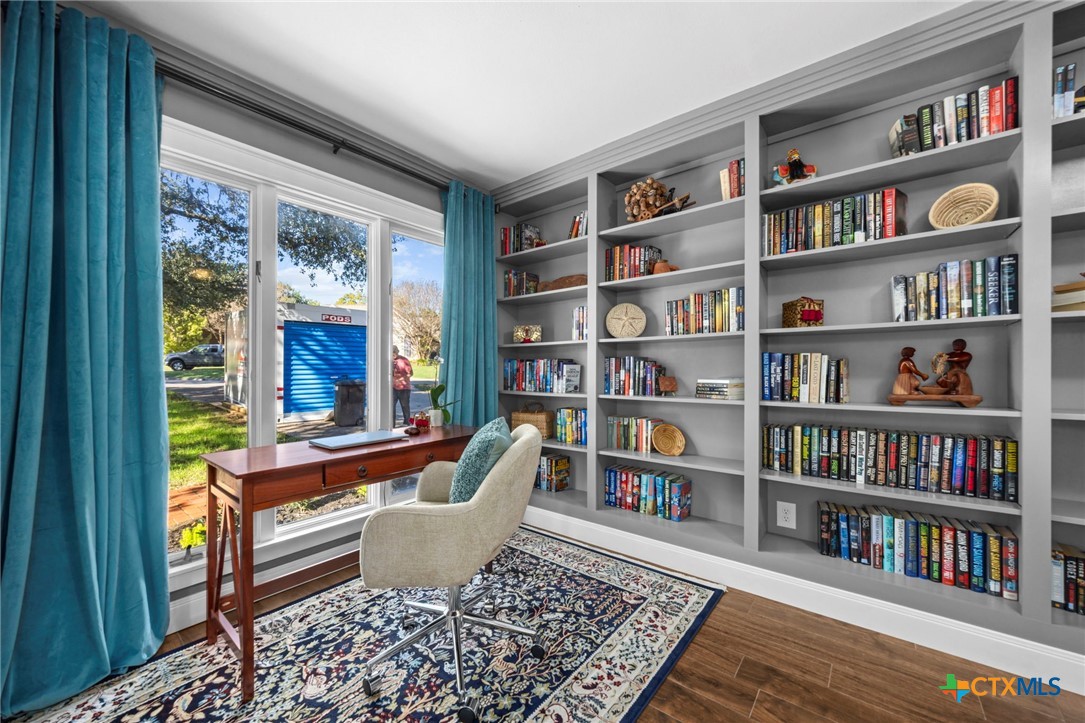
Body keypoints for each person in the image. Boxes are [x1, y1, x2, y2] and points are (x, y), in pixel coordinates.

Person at [392, 345, 413, 426]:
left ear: (397, 352)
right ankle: (391, 424)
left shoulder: (404, 361)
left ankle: (407, 423)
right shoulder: (389, 361)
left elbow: (410, 373)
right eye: (391, 353)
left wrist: (401, 380)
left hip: (404, 388)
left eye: (394, 353)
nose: (393, 355)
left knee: (405, 406)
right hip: (393, 388)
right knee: (391, 406)